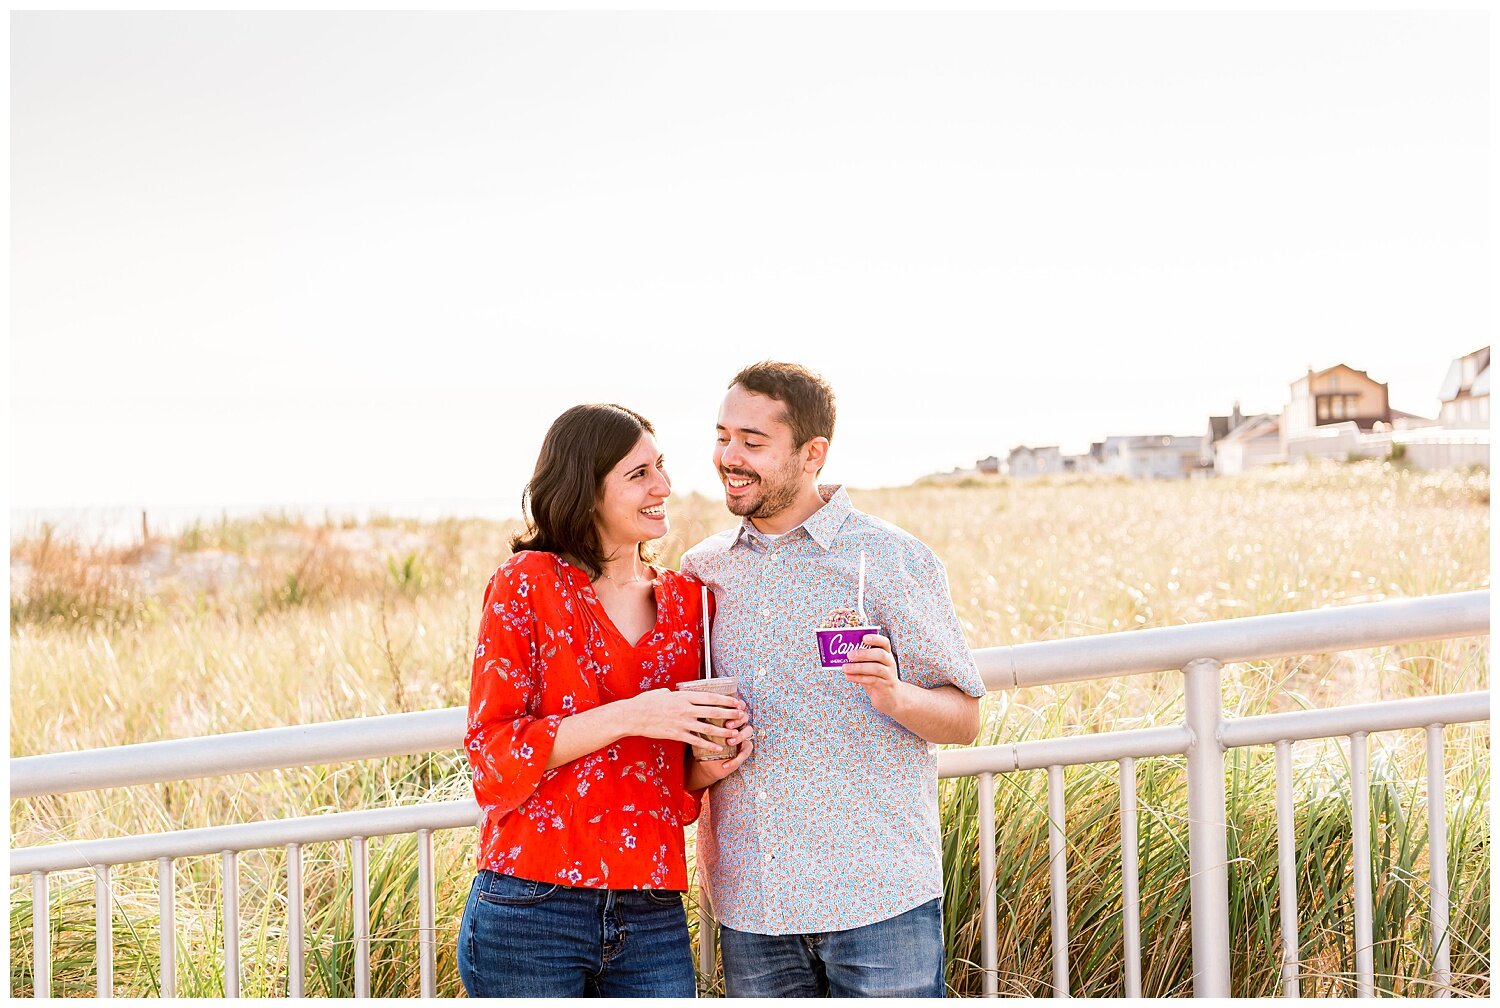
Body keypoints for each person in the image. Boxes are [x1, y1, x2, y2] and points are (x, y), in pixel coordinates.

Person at [680, 361, 985, 998]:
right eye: (722, 436)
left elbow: (964, 720)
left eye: (753, 443)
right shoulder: (701, 570)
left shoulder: (894, 559)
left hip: (880, 903)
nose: (729, 457)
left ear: (813, 453)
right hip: (752, 908)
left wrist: (894, 694)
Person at [457, 403, 754, 998]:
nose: (663, 487)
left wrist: (706, 767)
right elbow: (492, 756)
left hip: (652, 907)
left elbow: (665, 775)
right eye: (639, 474)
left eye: (661, 468)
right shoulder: (527, 583)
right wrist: (635, 714)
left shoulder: (687, 602)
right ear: (586, 490)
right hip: (532, 903)